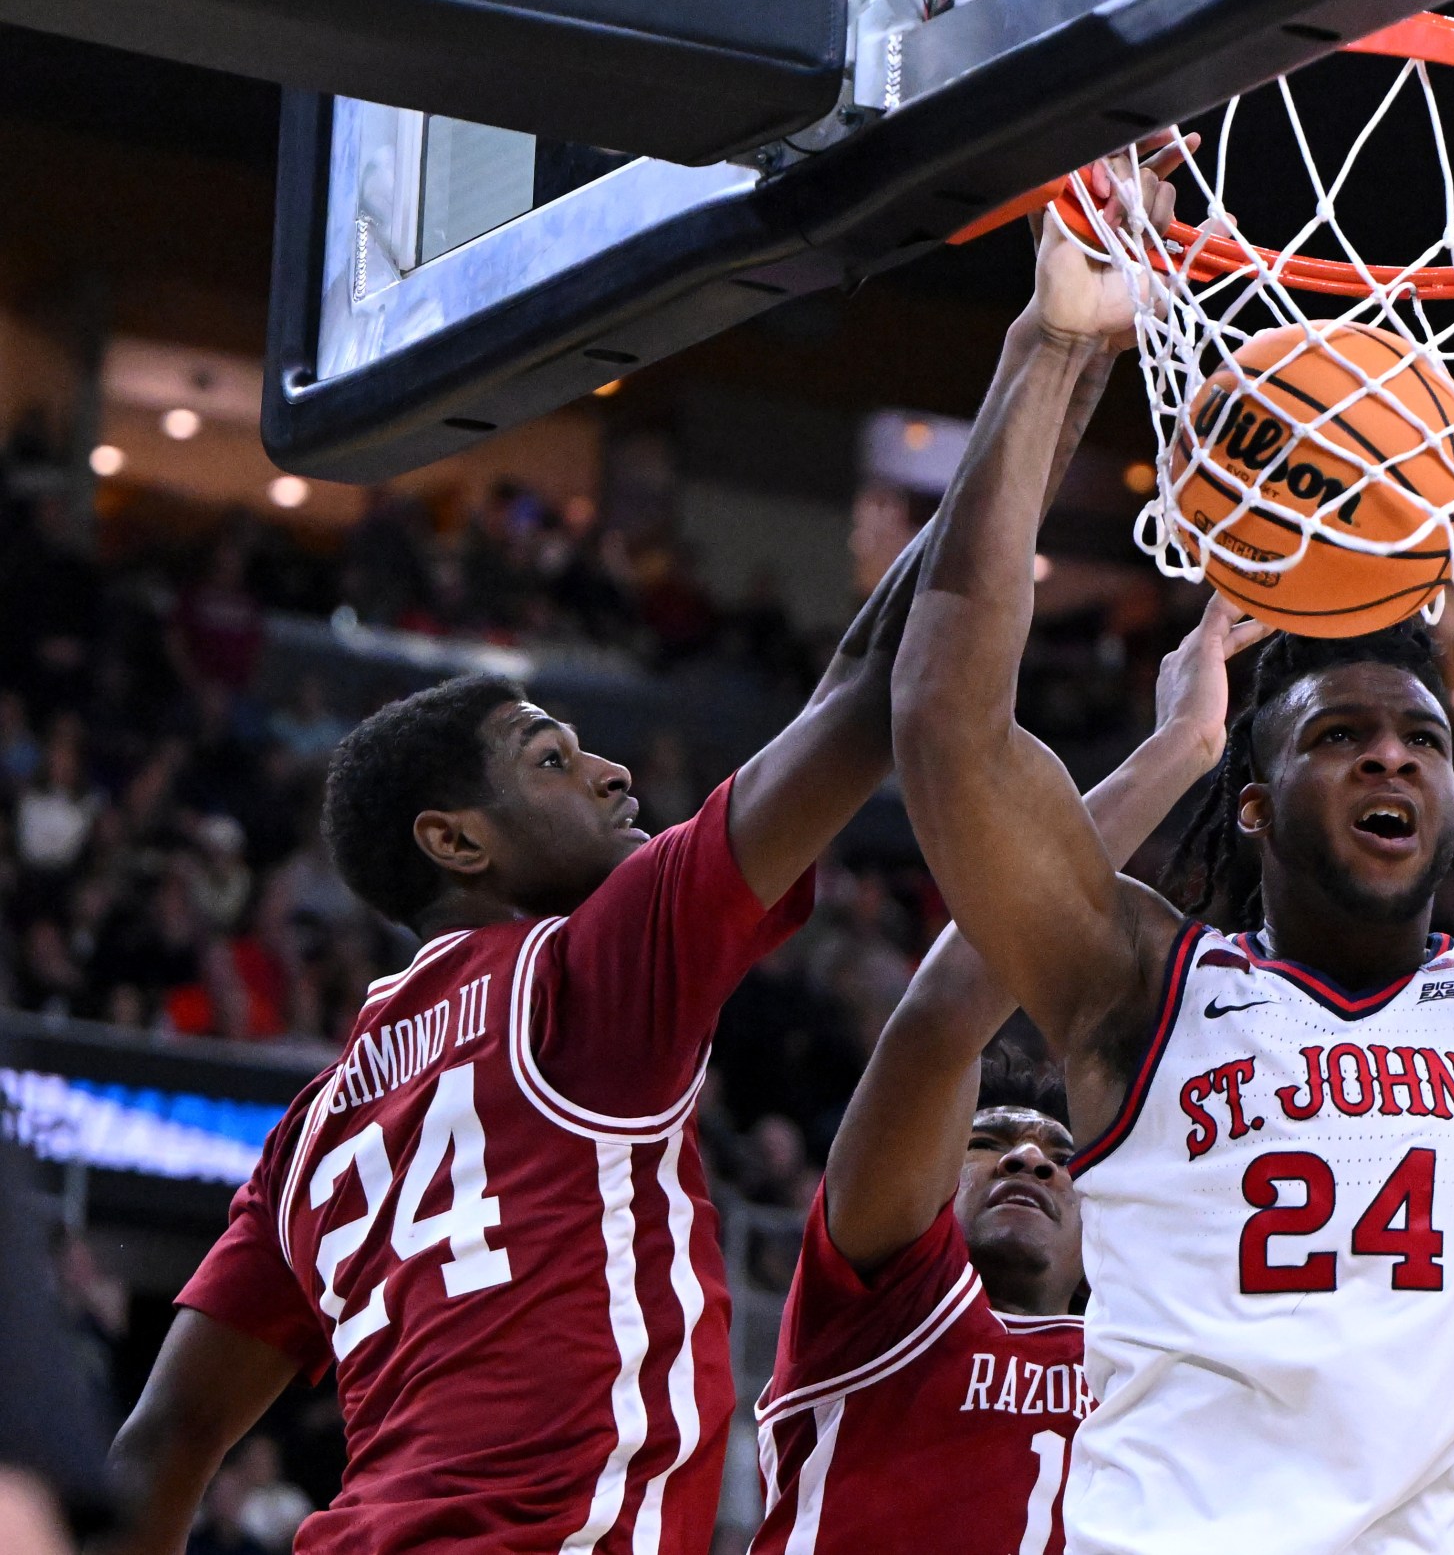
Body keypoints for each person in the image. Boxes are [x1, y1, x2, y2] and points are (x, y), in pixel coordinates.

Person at [103, 304, 1127, 1553]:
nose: (614, 776)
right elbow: (875, 685)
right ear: (456, 841)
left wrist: (1063, 365)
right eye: (554, 757)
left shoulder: (313, 1129)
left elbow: (164, 1440)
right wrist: (1053, 346)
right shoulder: (578, 975)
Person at [891, 188, 1454, 1552]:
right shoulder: (1139, 986)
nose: (1391, 762)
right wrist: (1054, 348)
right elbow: (948, 735)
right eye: (1339, 737)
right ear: (1250, 803)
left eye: (1422, 741)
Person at [751, 603, 1261, 1554]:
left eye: (1061, 1159)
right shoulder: (876, 1301)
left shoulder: (1151, 1361)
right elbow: (942, 1017)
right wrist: (1185, 748)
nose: (1029, 1154)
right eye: (987, 1143)